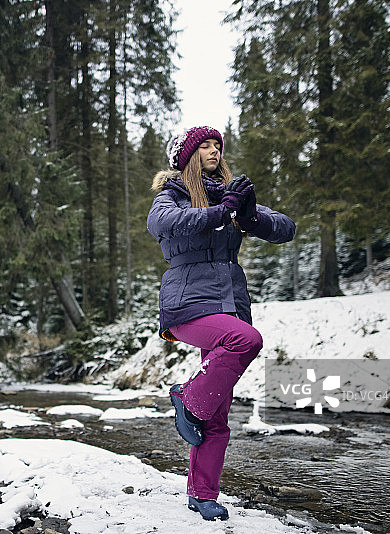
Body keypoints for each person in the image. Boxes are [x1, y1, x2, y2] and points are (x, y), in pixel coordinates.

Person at [146, 125, 296, 521]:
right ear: (188, 156)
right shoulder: (172, 195)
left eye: (217, 145)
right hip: (187, 304)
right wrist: (221, 211)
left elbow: (285, 227)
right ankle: (186, 398)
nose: (214, 151)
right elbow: (162, 224)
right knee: (246, 340)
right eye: (205, 146)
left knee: (217, 411)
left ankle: (203, 494)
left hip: (229, 301)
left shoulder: (230, 194)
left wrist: (248, 215)